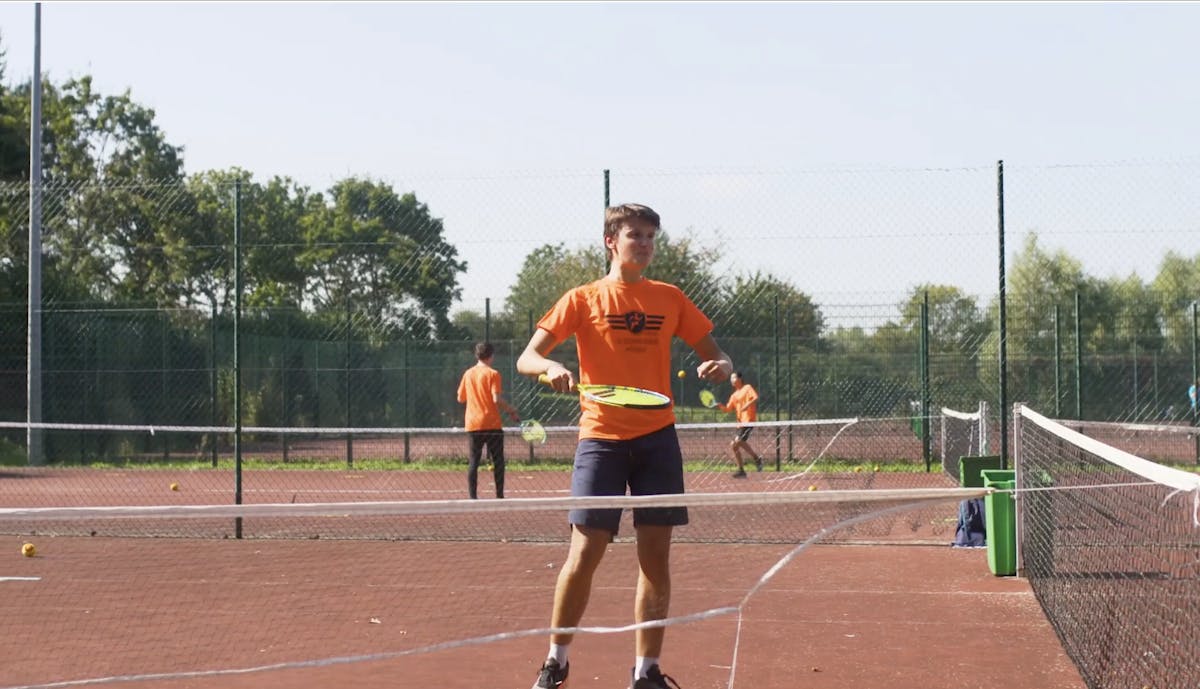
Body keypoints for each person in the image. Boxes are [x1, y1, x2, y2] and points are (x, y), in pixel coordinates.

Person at [517, 203, 733, 689]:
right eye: (636, 234)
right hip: (600, 439)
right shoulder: (582, 298)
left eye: (652, 236)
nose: (646, 244)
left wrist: (721, 365)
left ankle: (646, 672)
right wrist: (549, 368)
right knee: (584, 553)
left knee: (655, 558)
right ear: (611, 241)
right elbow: (527, 357)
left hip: (658, 440)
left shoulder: (670, 298)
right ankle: (556, 660)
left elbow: (718, 353)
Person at [456, 341, 519, 499]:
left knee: (473, 461)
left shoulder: (468, 374)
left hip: (473, 424)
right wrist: (511, 410)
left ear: (476, 356)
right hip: (492, 424)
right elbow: (496, 399)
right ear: (491, 356)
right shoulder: (493, 374)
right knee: (498, 461)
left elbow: (460, 398)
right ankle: (499, 496)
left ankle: (473, 498)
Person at [716, 371, 763, 477]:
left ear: (740, 379)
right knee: (734, 446)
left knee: (738, 441)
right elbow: (728, 409)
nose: (731, 381)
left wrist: (747, 405)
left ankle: (756, 459)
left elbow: (755, 397)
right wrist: (720, 406)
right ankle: (742, 469)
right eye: (730, 379)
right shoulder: (734, 395)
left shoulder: (747, 388)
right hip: (740, 423)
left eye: (733, 378)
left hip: (749, 420)